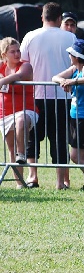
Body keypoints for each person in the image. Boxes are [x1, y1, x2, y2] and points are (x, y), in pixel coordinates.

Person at [19, 2, 76, 189]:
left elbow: (24, 65)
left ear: (42, 17)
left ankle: (32, 176)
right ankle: (60, 181)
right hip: (63, 94)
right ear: (60, 18)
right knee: (59, 139)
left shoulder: (30, 36)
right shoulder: (71, 37)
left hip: (35, 94)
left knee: (33, 137)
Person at [52, 39, 84, 191]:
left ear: (77, 55)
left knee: (75, 156)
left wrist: (73, 82)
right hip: (76, 117)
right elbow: (54, 77)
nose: (69, 56)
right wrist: (65, 82)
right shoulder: (75, 68)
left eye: (71, 53)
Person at [0, 37, 38, 188]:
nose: (17, 54)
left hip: (26, 109)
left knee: (21, 120)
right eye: (12, 51)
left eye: (18, 50)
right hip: (5, 113)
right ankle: (19, 183)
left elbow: (22, 76)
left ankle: (22, 155)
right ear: (4, 54)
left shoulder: (26, 65)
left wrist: (3, 80)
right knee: (11, 149)